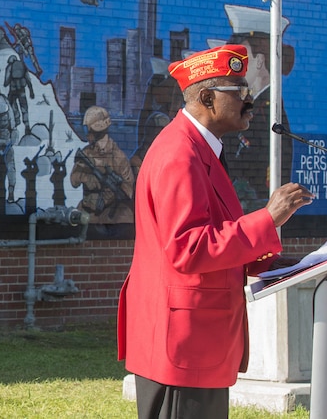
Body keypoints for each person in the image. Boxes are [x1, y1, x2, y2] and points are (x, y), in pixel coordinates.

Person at [117, 44, 314, 419]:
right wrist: (267, 218)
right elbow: (189, 249)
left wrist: (288, 265)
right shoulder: (180, 154)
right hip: (182, 343)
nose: (250, 104)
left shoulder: (200, 148)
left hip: (194, 340)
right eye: (240, 93)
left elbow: (214, 235)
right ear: (207, 98)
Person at [223, 5, 295, 211]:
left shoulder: (266, 112)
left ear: (260, 61)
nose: (235, 68)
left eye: (241, 60)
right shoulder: (255, 105)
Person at [70, 106, 134, 228]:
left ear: (97, 130)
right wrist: (87, 178)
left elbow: (128, 189)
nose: (88, 134)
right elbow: (74, 179)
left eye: (89, 130)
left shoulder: (118, 157)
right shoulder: (86, 153)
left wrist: (109, 196)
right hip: (87, 211)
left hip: (112, 214)